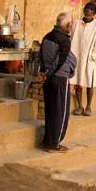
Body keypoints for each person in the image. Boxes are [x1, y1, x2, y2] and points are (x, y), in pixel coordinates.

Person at [38, 13, 77, 151]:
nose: (71, 27)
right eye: (70, 25)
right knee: (60, 112)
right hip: (59, 78)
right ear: (67, 25)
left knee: (50, 111)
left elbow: (41, 55)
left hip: (48, 78)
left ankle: (47, 140)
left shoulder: (47, 36)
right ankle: (54, 143)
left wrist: (43, 72)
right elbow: (59, 61)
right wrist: (48, 72)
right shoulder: (65, 40)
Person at [70, 2, 96, 116]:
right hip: (77, 56)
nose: (88, 11)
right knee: (78, 82)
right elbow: (71, 37)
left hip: (89, 58)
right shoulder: (77, 23)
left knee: (90, 82)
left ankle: (89, 106)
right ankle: (80, 106)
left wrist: (94, 56)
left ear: (94, 13)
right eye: (86, 9)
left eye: (90, 10)